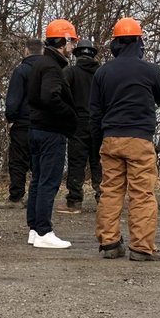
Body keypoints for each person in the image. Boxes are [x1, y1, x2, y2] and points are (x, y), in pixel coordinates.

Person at [90, 17, 160, 261]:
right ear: (138, 41)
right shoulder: (149, 70)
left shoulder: (102, 72)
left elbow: (95, 112)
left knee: (110, 191)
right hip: (139, 139)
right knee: (142, 193)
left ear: (115, 42)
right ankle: (142, 247)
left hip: (110, 138)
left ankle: (109, 243)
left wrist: (98, 142)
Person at [25, 19, 79, 250]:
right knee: (48, 182)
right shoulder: (52, 67)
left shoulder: (40, 63)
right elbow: (50, 97)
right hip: (50, 132)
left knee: (38, 180)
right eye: (72, 41)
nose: (73, 46)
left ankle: (35, 229)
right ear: (63, 41)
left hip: (36, 129)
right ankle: (44, 231)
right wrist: (70, 115)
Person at [59, 39, 101, 214]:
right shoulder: (101, 73)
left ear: (77, 55)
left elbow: (60, 94)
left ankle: (74, 201)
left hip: (78, 122)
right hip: (99, 122)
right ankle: (103, 200)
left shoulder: (70, 73)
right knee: (99, 161)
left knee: (76, 162)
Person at [3, 38, 43, 207]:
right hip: (43, 123)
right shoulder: (48, 70)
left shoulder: (21, 71)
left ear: (26, 51)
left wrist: (11, 118)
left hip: (22, 122)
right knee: (39, 161)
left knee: (18, 160)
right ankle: (38, 196)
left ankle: (16, 196)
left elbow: (14, 98)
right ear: (42, 51)